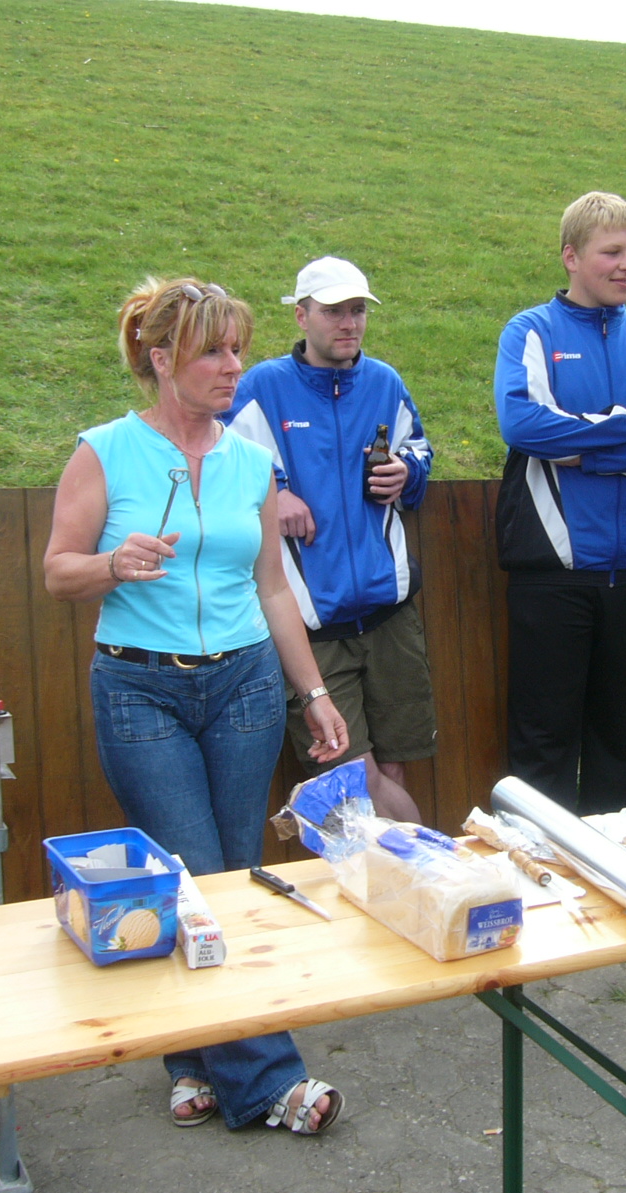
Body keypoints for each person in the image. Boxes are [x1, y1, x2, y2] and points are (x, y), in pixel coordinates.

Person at [43, 276, 350, 1135]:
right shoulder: (105, 452)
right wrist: (112, 565)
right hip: (141, 689)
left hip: (244, 685)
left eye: (237, 348)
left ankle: (190, 1060)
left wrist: (313, 693)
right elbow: (58, 571)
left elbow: (273, 589)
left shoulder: (251, 462)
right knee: (195, 873)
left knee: (228, 873)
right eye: (213, 350)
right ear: (159, 358)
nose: (232, 366)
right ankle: (272, 1083)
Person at [494, 192, 626, 816]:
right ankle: (542, 871)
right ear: (571, 257)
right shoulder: (531, 331)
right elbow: (525, 427)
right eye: (612, 252)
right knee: (543, 748)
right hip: (553, 578)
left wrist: (588, 454)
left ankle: (613, 870)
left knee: (619, 747)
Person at [223, 257, 434, 822]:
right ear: (301, 316)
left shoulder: (385, 382)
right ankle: (428, 855)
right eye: (334, 311)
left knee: (394, 767)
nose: (349, 323)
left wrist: (408, 472)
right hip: (311, 626)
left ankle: (405, 868)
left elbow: (418, 448)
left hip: (391, 614)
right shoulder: (262, 387)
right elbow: (220, 463)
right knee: (353, 781)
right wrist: (276, 492)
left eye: (358, 310)